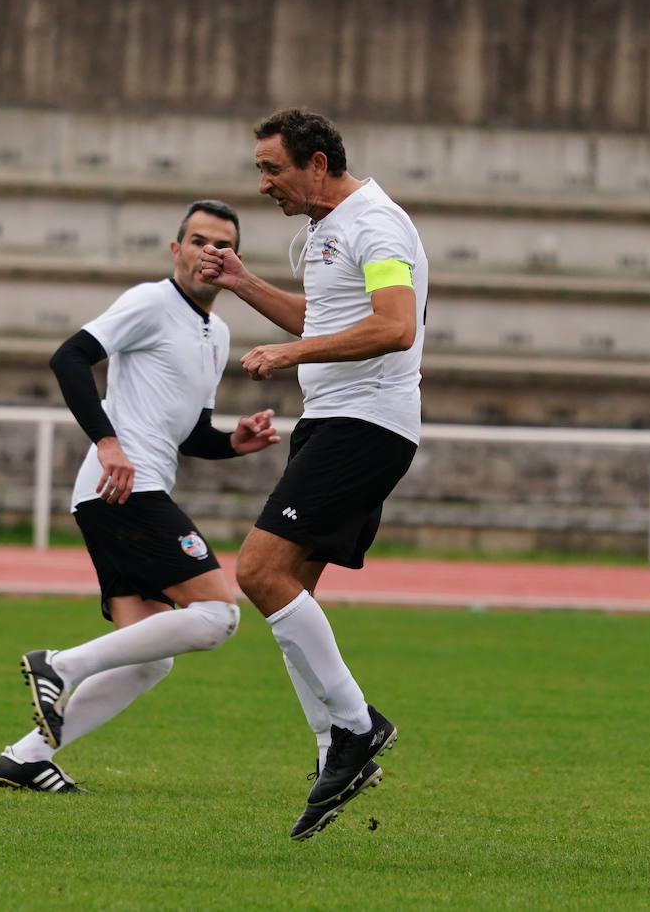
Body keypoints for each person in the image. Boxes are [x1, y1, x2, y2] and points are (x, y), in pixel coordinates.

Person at [0, 199, 280, 793]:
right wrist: (107, 442)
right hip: (122, 488)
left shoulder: (217, 332)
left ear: (235, 260)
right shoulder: (150, 301)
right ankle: (60, 665)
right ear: (176, 251)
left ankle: (25, 757)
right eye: (197, 241)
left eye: (221, 245)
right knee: (219, 616)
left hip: (122, 491)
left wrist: (235, 443)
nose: (209, 252)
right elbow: (68, 357)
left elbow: (191, 432)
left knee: (149, 658)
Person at [198, 109, 429, 840]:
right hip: (338, 424)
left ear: (319, 164)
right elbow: (320, 318)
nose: (263, 184)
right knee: (290, 598)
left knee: (259, 573)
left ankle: (357, 731)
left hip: (364, 427)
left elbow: (396, 325)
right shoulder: (328, 231)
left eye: (273, 169)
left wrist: (287, 358)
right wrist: (241, 281)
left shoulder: (376, 226)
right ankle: (334, 753)